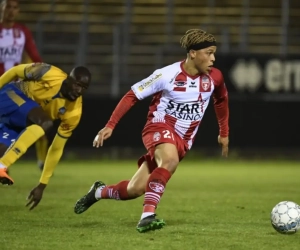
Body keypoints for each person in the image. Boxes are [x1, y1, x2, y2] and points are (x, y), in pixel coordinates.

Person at [74, 29, 229, 233]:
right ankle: (147, 216)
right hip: (158, 127)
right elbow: (132, 95)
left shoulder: (215, 77)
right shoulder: (166, 75)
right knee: (170, 160)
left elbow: (221, 100)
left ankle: (98, 192)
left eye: (214, 52)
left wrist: (224, 132)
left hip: (183, 140)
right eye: (208, 53)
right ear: (193, 53)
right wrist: (110, 125)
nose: (213, 58)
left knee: (135, 189)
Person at [0, 62, 91, 211]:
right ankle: (3, 165)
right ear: (68, 79)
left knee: (3, 150)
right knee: (46, 123)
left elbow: (56, 149)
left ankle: (2, 162)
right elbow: (15, 71)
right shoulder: (49, 72)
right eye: (77, 85)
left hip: (18, 122)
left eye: (84, 88)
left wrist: (42, 185)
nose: (79, 90)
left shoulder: (74, 113)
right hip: (10, 95)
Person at [0, 0, 48, 171]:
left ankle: (41, 161)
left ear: (18, 10)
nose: (11, 11)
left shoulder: (22, 32)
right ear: (2, 8)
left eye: (15, 8)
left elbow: (35, 56)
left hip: (15, 89)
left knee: (36, 117)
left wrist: (44, 75)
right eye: (8, 7)